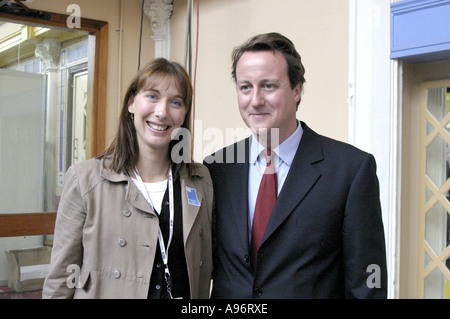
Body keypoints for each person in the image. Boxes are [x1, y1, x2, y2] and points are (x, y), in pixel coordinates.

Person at [204, 32, 387, 298]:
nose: (255, 100)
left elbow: (368, 279)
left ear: (297, 90)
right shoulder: (216, 168)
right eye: (245, 87)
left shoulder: (350, 170)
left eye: (268, 86)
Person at [43, 58, 213, 299]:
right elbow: (61, 277)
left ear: (184, 114)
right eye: (152, 96)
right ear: (132, 103)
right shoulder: (85, 180)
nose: (162, 112)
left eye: (176, 102)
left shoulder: (200, 180)